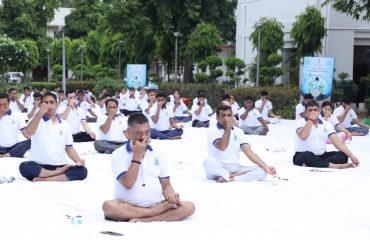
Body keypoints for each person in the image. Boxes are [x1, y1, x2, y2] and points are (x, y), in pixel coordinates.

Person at [102, 113, 195, 222]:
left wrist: (171, 197)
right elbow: (128, 184)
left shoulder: (158, 153)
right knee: (108, 206)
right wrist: (137, 155)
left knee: (189, 207)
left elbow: (166, 185)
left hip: (157, 204)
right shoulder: (118, 154)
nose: (144, 137)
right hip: (128, 206)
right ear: (128, 133)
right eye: (139, 133)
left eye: (147, 132)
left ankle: (145, 219)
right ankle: (152, 213)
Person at [19, 92, 88, 181]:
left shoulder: (65, 124)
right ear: (41, 105)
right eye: (46, 103)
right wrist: (40, 112)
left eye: (51, 102)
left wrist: (78, 161)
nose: (49, 105)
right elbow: (28, 132)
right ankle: (57, 174)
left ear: (56, 104)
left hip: (60, 164)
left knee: (82, 171)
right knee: (24, 167)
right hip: (39, 165)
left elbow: (69, 148)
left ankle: (46, 179)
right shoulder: (35, 120)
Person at [204, 105, 276, 183]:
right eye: (223, 116)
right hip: (217, 169)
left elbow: (249, 152)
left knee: (262, 171)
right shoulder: (212, 130)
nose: (226, 118)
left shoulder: (238, 131)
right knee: (208, 161)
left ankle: (231, 178)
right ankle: (230, 175)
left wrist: (266, 166)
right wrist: (228, 128)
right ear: (217, 118)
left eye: (229, 115)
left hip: (235, 169)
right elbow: (222, 147)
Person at [293, 100, 360, 169]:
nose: (313, 112)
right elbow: (303, 136)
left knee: (343, 155)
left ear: (318, 111)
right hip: (302, 154)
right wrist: (310, 119)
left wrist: (351, 155)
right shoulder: (300, 122)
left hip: (322, 155)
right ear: (305, 112)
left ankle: (316, 163)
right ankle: (332, 165)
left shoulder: (326, 124)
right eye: (310, 110)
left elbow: (337, 142)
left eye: (315, 110)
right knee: (306, 155)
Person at [0, 93, 31, 158]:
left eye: (4, 104)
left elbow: (24, 132)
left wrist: (35, 140)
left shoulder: (17, 115)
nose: (2, 107)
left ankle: (6, 155)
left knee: (30, 142)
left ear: (9, 102)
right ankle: (12, 154)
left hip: (13, 146)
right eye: (0, 105)